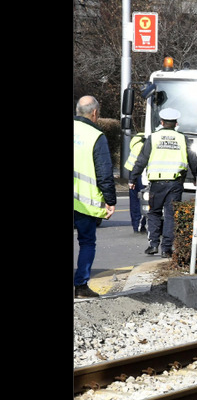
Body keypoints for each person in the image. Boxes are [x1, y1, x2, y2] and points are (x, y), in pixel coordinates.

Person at [128, 108, 197, 259]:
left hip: (157, 183)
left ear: (161, 122)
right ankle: (166, 249)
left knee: (154, 213)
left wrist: (132, 178)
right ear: (176, 124)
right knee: (171, 215)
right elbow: (193, 159)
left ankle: (153, 244)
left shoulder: (153, 138)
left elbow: (142, 160)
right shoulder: (182, 138)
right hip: (175, 183)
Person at [74, 96, 116, 299]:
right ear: (95, 113)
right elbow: (104, 172)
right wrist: (110, 200)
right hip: (84, 204)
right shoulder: (96, 136)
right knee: (87, 243)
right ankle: (81, 286)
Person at [123, 132, 147, 233]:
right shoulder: (148, 142)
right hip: (142, 172)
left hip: (132, 171)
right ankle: (140, 224)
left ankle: (136, 225)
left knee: (134, 200)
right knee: (143, 198)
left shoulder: (137, 139)